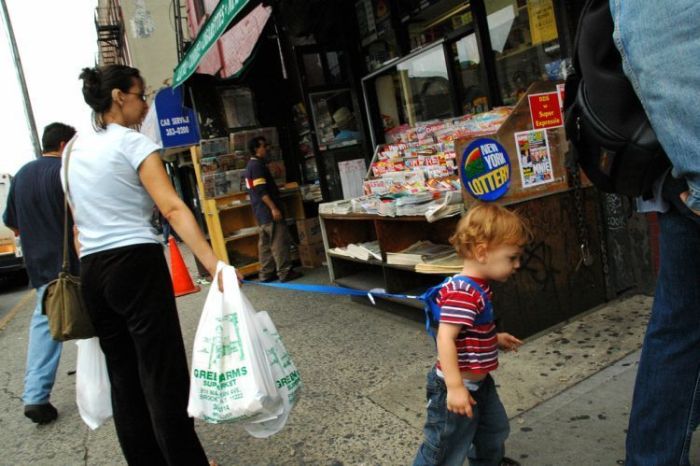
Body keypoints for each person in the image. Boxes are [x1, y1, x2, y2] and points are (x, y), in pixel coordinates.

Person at [69, 64, 225, 465]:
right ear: (120, 97)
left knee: (123, 378)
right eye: (141, 95)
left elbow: (77, 226)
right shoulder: (132, 143)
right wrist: (214, 265)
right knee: (162, 374)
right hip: (135, 263)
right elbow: (172, 207)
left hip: (93, 273)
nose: (145, 105)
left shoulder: (71, 151)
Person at [610, 2, 700, 465]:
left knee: (679, 335)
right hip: (690, 180)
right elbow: (662, 54)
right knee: (678, 336)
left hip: (683, 180)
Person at [413, 203, 529, 466]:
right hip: (457, 387)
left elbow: (470, 331)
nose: (517, 264)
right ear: (482, 252)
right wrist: (454, 388)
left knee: (493, 430)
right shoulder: (464, 293)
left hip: (480, 383)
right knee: (443, 447)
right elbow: (446, 338)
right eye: (512, 257)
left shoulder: (478, 287)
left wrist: (494, 339)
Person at [3, 122, 78, 424]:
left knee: (45, 327)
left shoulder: (20, 176)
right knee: (99, 320)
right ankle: (108, 385)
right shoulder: (66, 172)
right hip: (74, 265)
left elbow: (12, 222)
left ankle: (35, 395)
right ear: (63, 146)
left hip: (40, 269)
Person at [244, 136, 302, 283]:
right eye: (264, 146)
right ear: (257, 149)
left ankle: (266, 273)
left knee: (265, 245)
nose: (267, 149)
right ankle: (285, 272)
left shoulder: (250, 166)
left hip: (260, 212)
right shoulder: (257, 166)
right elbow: (261, 190)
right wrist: (274, 208)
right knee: (278, 242)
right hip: (268, 211)